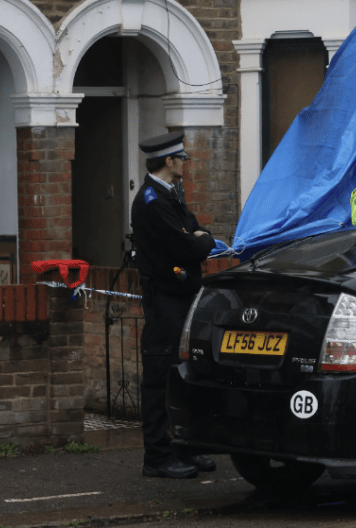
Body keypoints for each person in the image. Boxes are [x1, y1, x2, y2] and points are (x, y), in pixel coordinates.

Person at [131, 131, 217, 479]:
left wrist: (198, 237)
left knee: (182, 374)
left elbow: (194, 229)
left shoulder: (170, 194)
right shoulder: (152, 201)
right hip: (165, 300)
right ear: (169, 161)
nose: (184, 163)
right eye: (181, 158)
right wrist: (201, 242)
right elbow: (190, 247)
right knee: (159, 376)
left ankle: (184, 448)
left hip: (180, 297)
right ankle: (158, 457)